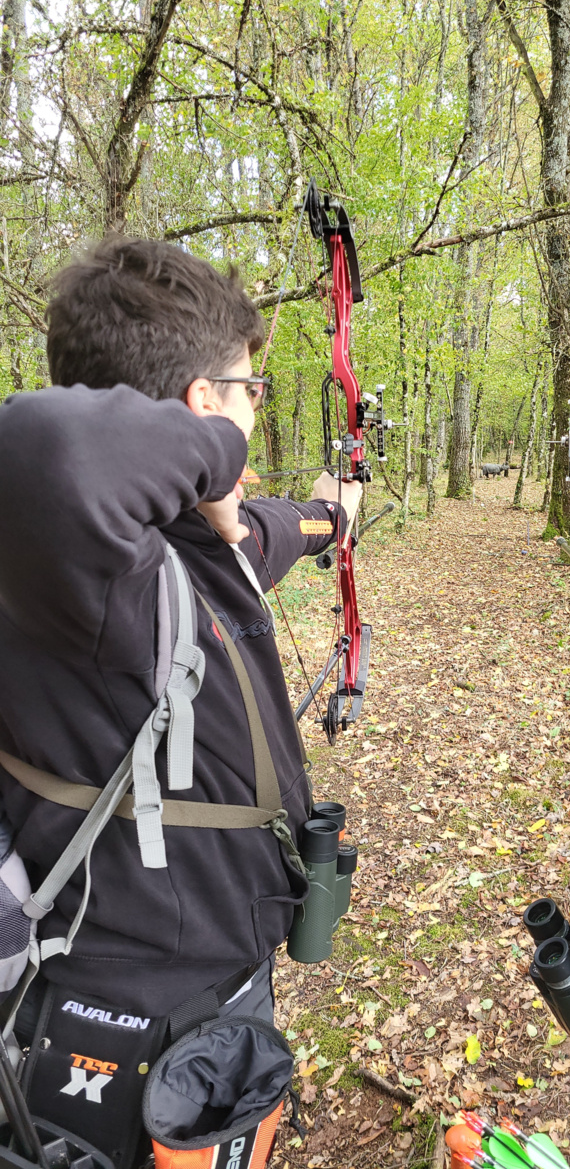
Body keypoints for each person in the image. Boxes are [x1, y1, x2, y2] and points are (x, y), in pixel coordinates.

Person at [0, 238, 362, 1157]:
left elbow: (263, 536)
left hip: (208, 979)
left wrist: (329, 514)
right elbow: (42, 446)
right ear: (204, 405)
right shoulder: (89, 570)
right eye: (250, 392)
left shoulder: (178, 546)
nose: (254, 411)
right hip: (122, 1003)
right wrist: (219, 450)